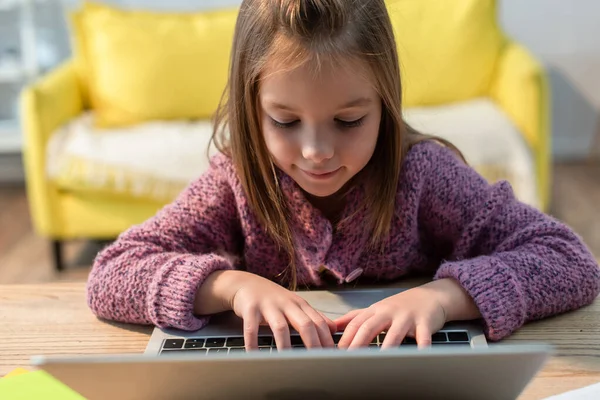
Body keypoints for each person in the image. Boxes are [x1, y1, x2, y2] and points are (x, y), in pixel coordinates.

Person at [86, 0, 600, 352]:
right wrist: (230, 287)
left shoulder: (422, 175)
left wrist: (445, 299)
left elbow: (569, 261)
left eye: (349, 121)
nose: (316, 152)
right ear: (251, 108)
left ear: (385, 102)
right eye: (285, 122)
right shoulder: (237, 182)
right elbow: (111, 273)